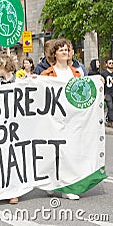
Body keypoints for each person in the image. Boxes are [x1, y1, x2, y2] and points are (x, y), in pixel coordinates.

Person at [41, 38, 81, 200]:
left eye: (67, 49)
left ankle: (67, 187)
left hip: (72, 118)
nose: (65, 52)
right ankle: (50, 181)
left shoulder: (77, 72)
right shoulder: (46, 74)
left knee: (69, 152)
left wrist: (97, 82)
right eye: (61, 50)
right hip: (54, 117)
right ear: (55, 54)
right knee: (54, 151)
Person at [101, 59, 113, 127]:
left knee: (111, 107)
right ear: (106, 64)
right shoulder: (103, 73)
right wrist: (103, 94)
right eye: (110, 63)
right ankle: (111, 121)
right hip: (107, 93)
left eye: (112, 63)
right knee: (110, 106)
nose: (111, 64)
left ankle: (108, 119)